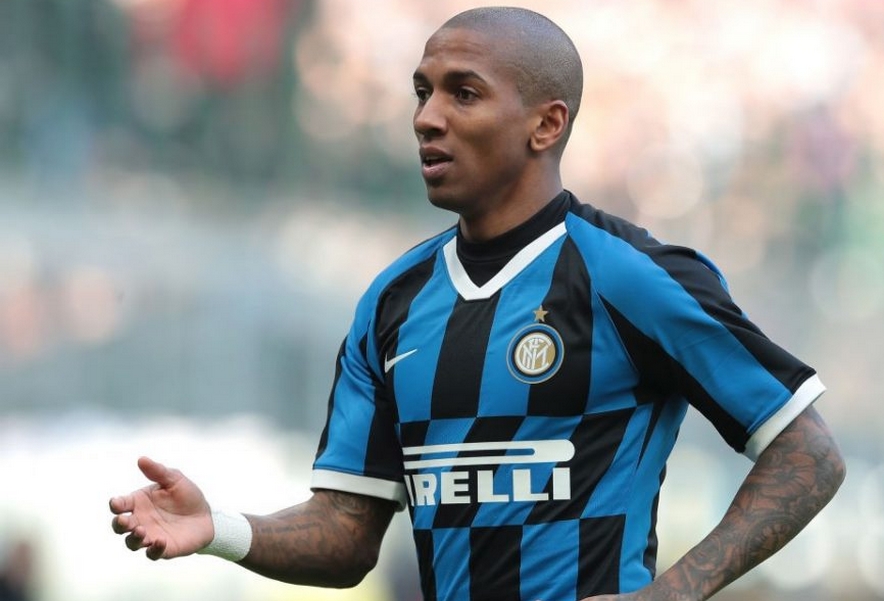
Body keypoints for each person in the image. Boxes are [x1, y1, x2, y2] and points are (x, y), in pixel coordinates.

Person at [109, 7, 846, 601]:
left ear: (546, 124)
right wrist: (219, 528)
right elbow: (347, 533)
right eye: (422, 92)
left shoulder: (631, 276)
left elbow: (807, 452)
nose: (427, 118)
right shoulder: (393, 301)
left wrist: (676, 590)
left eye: (463, 93)